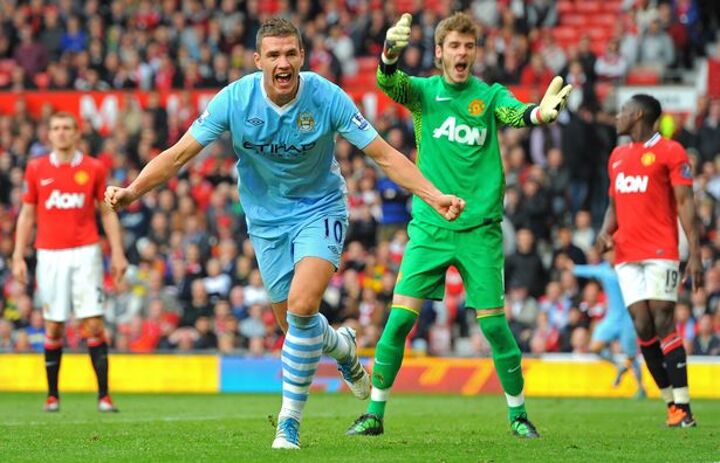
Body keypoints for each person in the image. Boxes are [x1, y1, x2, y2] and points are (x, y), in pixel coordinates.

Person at [104, 17, 465, 450]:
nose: (283, 63)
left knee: (302, 305)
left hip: (320, 208)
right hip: (265, 220)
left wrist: (433, 195)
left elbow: (384, 155)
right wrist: (133, 191)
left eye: (291, 53)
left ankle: (288, 423)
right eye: (274, 55)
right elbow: (179, 154)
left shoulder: (326, 96)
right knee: (295, 324)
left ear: (302, 57)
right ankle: (343, 348)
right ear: (258, 60)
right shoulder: (234, 100)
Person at [346, 12, 571, 439]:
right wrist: (389, 52)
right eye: (454, 45)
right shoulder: (424, 93)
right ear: (439, 52)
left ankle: (518, 415)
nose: (462, 52)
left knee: (494, 327)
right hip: (430, 227)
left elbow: (515, 113)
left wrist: (539, 115)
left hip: (479, 230)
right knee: (398, 322)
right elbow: (388, 82)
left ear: (475, 52)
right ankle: (374, 414)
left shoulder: (488, 96)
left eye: (468, 46)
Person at [596, 94, 702, 427]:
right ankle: (672, 405)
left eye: (623, 111)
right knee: (642, 325)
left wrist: (695, 252)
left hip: (660, 250)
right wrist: (605, 232)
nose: (618, 116)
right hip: (626, 253)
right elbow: (614, 204)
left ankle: (684, 406)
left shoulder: (671, 151)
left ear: (639, 115)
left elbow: (685, 203)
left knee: (662, 317)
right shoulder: (617, 156)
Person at [12, 112, 128, 413]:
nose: (61, 133)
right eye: (56, 128)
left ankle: (104, 396)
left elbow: (106, 212)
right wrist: (18, 254)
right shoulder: (36, 168)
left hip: (86, 252)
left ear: (77, 133)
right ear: (49, 134)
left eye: (66, 128)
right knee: (53, 326)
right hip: (49, 253)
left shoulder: (94, 168)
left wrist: (117, 252)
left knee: (93, 323)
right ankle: (52, 396)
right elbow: (27, 213)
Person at [566, 253, 646, 398]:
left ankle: (640, 388)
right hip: (612, 319)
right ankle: (618, 365)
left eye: (612, 253)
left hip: (628, 320)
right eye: (607, 254)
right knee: (594, 347)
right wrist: (573, 268)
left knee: (631, 355)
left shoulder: (627, 269)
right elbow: (589, 270)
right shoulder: (603, 270)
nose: (609, 257)